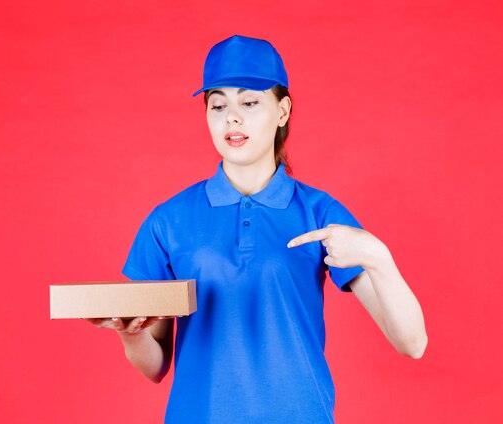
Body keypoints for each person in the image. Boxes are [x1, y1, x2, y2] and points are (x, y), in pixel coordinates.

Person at [86, 35, 427, 423]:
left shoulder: (320, 213)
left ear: (282, 111)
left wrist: (379, 258)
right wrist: (130, 333)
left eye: (249, 102)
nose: (232, 117)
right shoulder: (169, 219)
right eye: (218, 105)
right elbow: (155, 366)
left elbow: (412, 343)